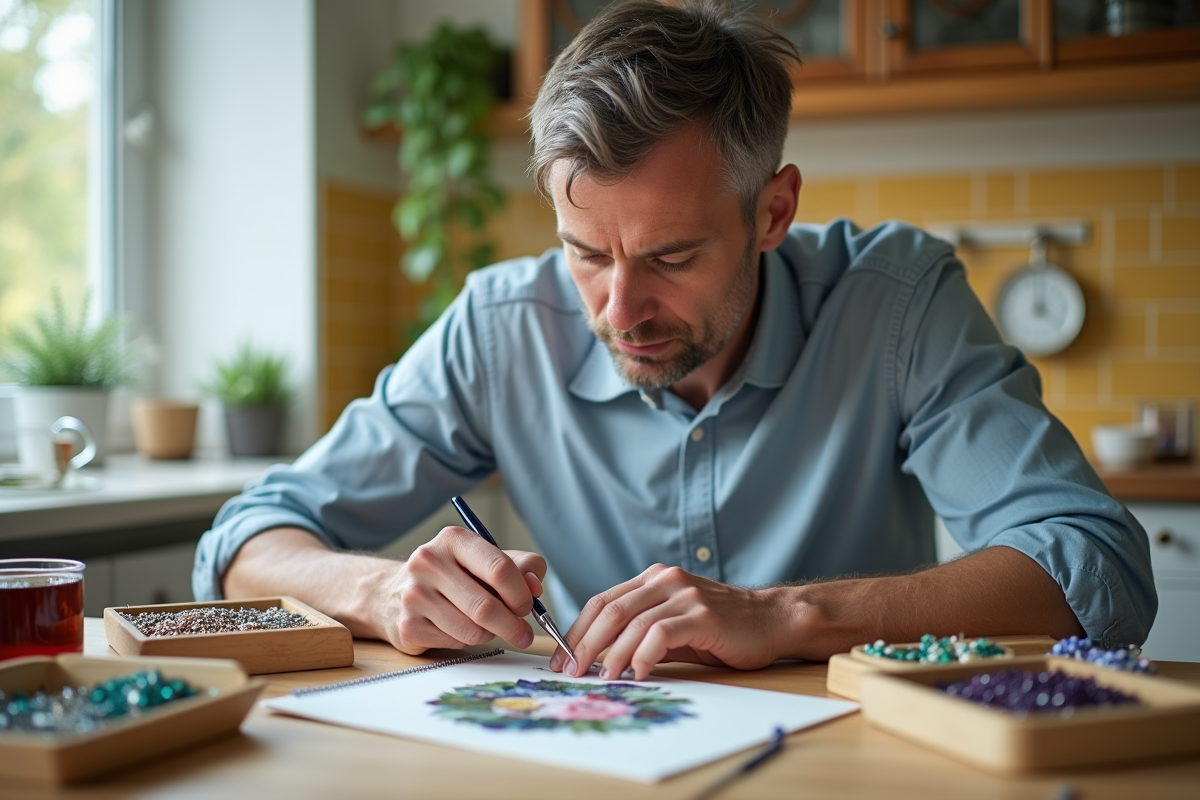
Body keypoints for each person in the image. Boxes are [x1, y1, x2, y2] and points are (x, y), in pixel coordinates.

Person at [194, 0, 1155, 682]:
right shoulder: (499, 326)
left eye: (672, 256)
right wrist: (382, 589)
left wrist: (786, 615)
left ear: (773, 211)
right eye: (585, 254)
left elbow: (1098, 570)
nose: (619, 308)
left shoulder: (896, 302)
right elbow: (243, 544)